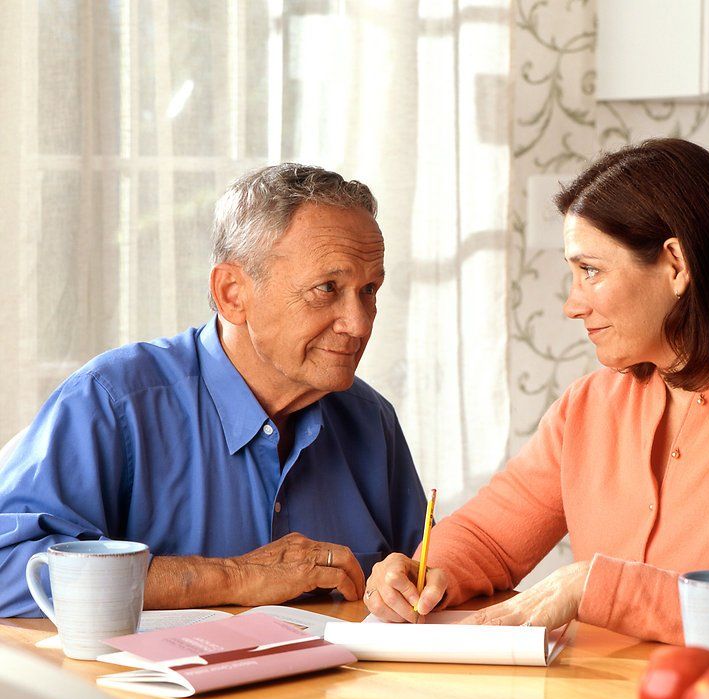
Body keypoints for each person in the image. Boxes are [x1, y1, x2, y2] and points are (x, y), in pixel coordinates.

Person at [365, 138, 709, 655]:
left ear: (675, 265)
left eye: (590, 270)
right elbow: (491, 537)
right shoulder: (589, 405)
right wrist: (423, 572)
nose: (571, 304)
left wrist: (595, 587)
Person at [0, 164, 426, 617]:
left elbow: (427, 570)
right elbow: (7, 567)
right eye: (327, 288)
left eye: (369, 289)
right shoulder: (111, 402)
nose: (359, 324)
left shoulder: (370, 418)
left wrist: (421, 578)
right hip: (147, 690)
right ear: (232, 294)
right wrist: (232, 576)